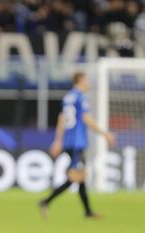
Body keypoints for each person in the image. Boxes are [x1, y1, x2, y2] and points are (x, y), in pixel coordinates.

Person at [39, 71, 115, 219]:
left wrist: (58, 140)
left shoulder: (68, 97)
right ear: (80, 80)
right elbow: (86, 118)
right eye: (86, 80)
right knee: (75, 177)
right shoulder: (81, 97)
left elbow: (62, 118)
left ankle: (87, 212)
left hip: (69, 141)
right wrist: (104, 133)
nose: (88, 83)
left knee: (81, 176)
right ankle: (46, 201)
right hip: (78, 142)